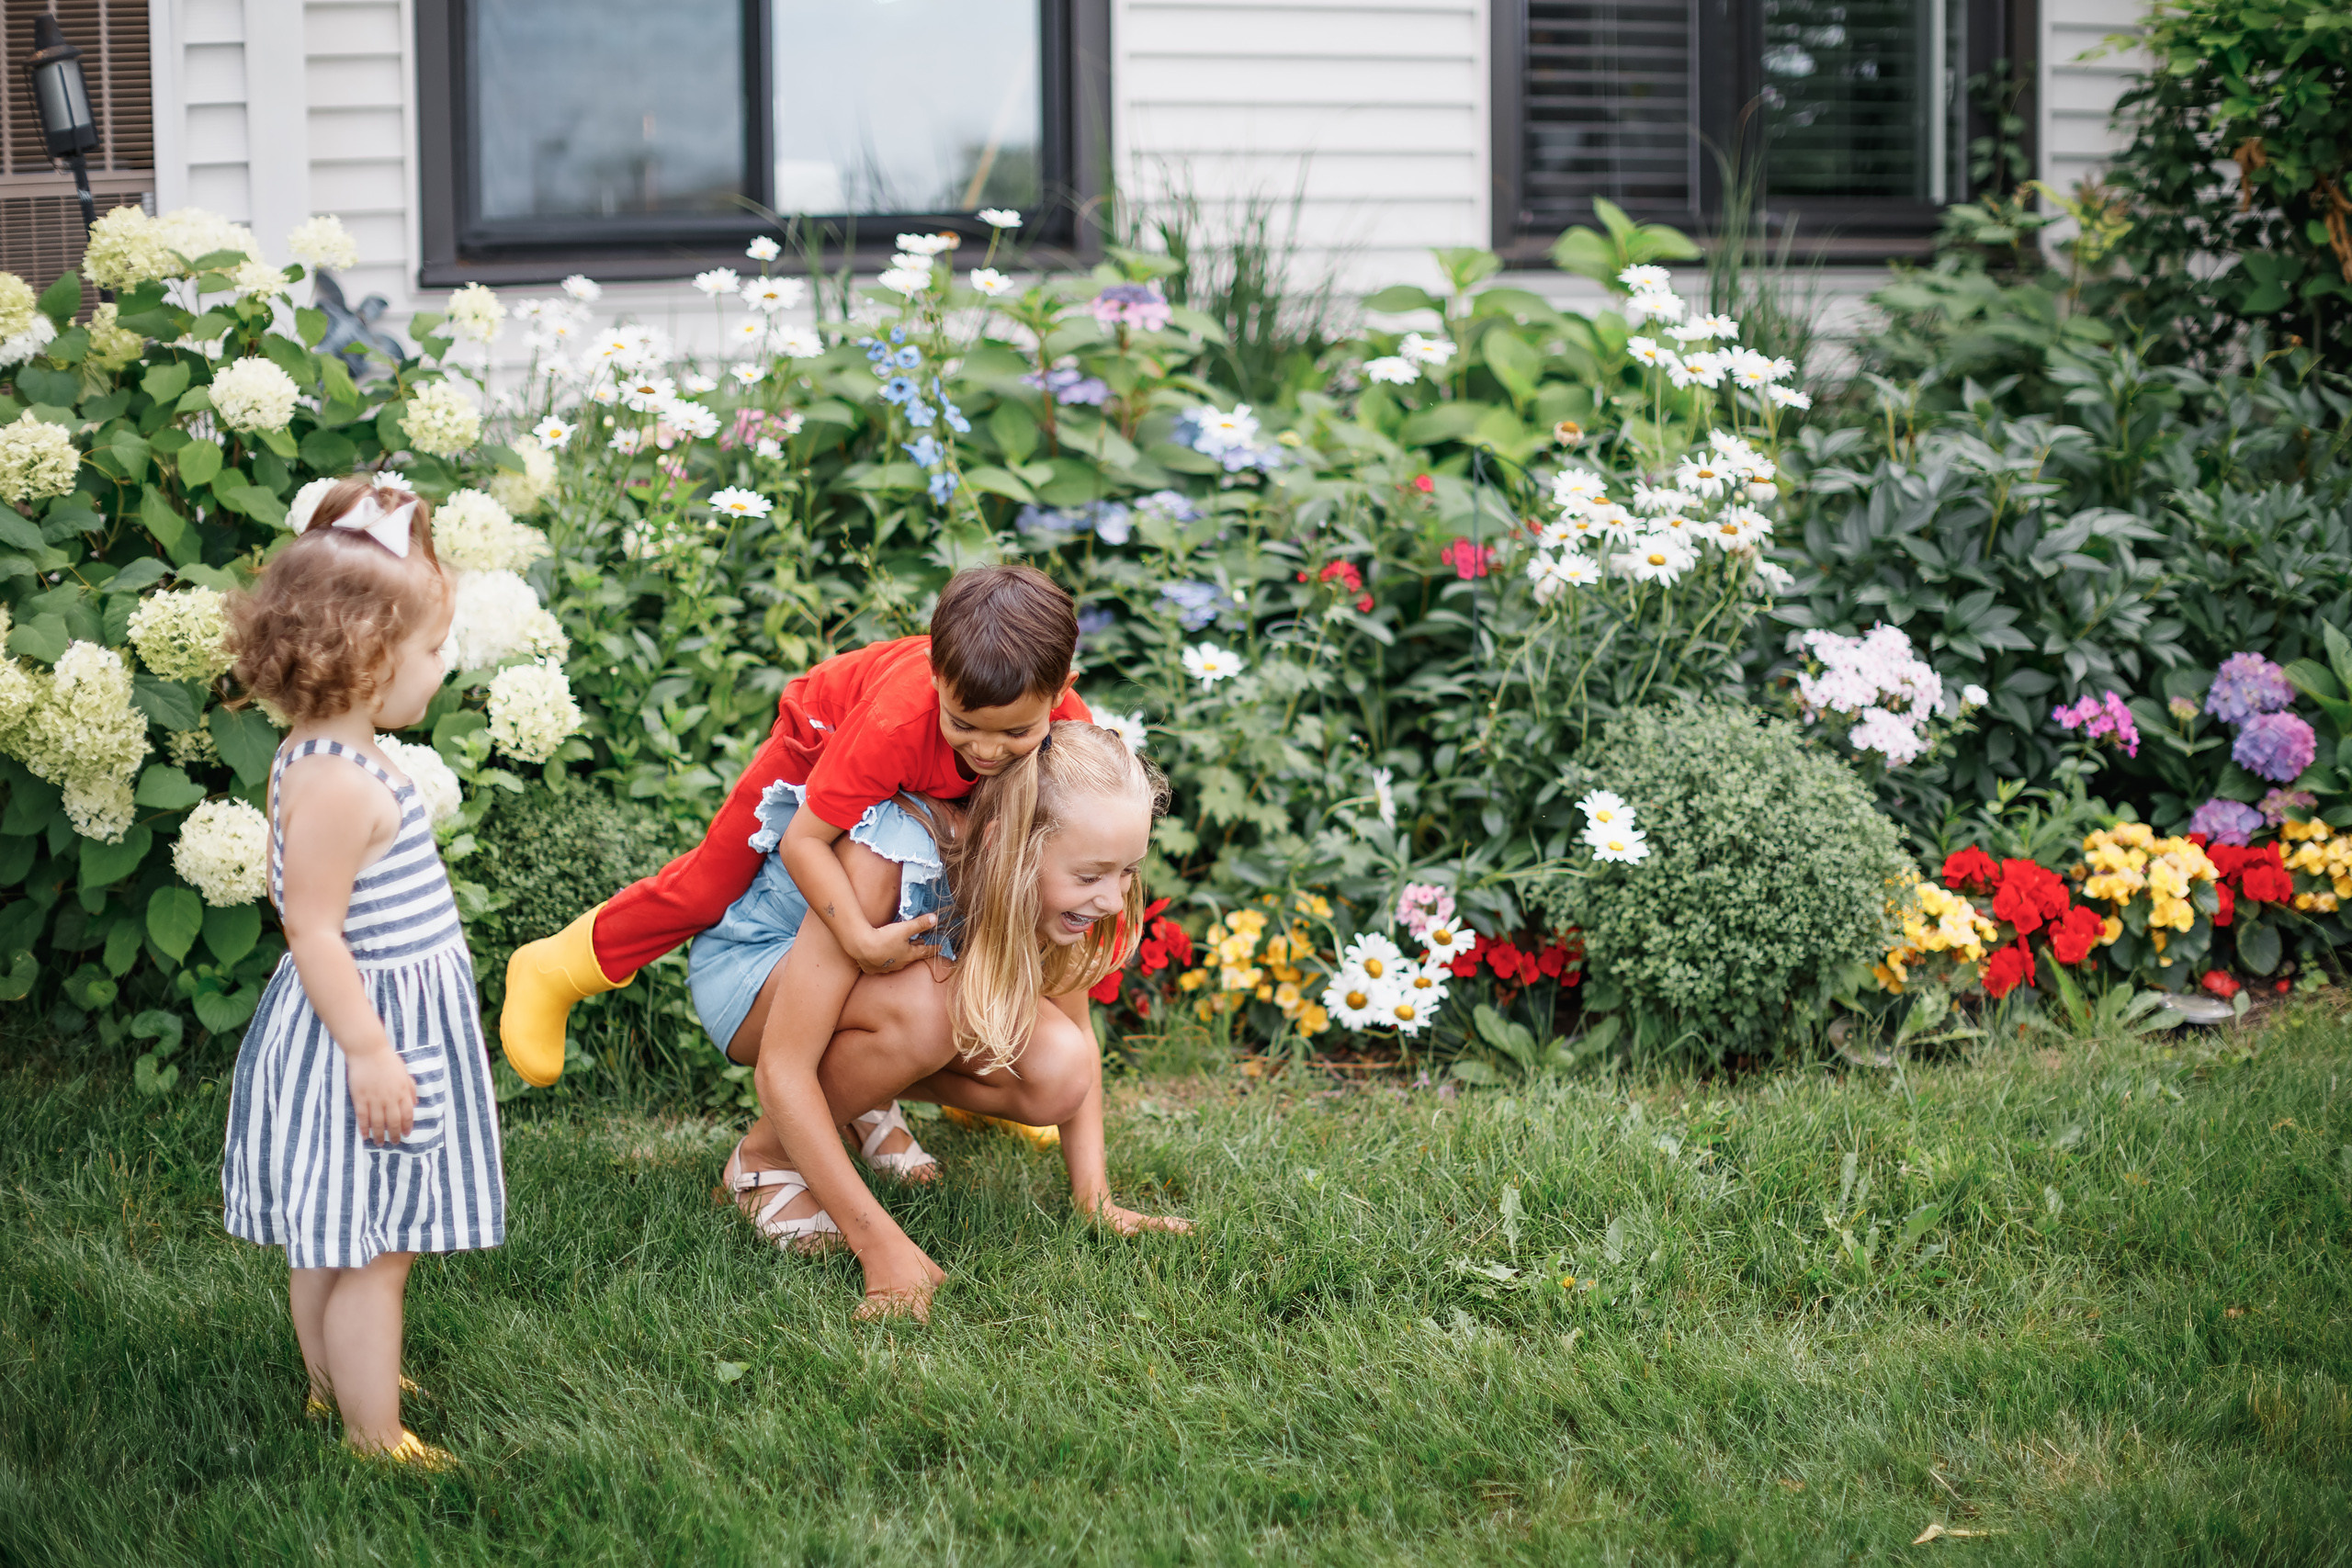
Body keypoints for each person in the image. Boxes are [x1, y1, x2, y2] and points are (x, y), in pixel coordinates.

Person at [500, 567, 1091, 1161]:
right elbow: (803, 842)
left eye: (1015, 731)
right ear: (937, 675)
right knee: (707, 886)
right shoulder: (896, 720)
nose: (987, 749)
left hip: (913, 766)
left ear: (1060, 690)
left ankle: (935, 1071)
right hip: (825, 739)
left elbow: (1077, 870)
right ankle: (558, 965)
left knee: (980, 878)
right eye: (964, 724)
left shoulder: (1070, 735)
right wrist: (858, 938)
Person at [695, 720, 1189, 1319]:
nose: (1112, 899)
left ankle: (861, 1096)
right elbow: (783, 1066)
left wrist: (1097, 1200)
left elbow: (1078, 1034)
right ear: (1007, 844)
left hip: (886, 996)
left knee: (1058, 1070)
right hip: (754, 978)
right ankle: (764, 1160)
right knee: (935, 1006)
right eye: (1089, 877)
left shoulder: (1058, 885)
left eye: (1127, 871)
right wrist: (880, 1247)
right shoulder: (889, 853)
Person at [218, 474, 502, 1467]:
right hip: (367, 1034)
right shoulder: (343, 785)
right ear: (370, 661)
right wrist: (371, 1052)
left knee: (331, 1232)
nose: (442, 663)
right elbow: (313, 929)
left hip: (360, 1022)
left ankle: (332, 1376)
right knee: (379, 1248)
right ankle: (373, 1435)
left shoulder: (321, 753)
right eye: (431, 649)